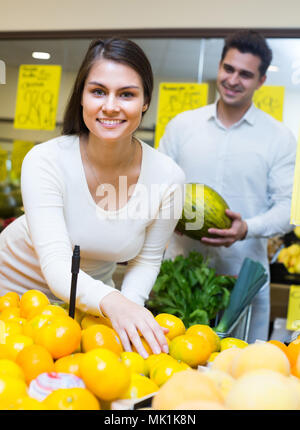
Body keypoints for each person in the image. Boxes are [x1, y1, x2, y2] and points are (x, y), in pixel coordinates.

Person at [0, 38, 185, 358]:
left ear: (145, 102)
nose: (111, 105)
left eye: (126, 94)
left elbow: (147, 259)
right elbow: (58, 264)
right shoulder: (45, 160)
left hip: (91, 301)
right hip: (13, 293)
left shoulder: (168, 177)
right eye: (98, 91)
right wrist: (116, 304)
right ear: (82, 97)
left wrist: (128, 309)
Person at [158, 30, 297, 343]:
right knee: (170, 370)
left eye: (246, 74)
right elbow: (158, 187)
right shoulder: (183, 125)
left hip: (242, 281)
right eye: (228, 69)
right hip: (179, 278)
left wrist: (246, 228)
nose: (234, 80)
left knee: (238, 374)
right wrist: (169, 214)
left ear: (261, 81)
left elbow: (289, 209)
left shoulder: (279, 138)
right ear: (219, 66)